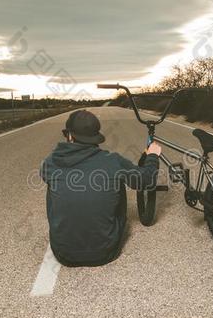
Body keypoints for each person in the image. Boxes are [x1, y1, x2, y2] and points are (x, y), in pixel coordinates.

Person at [41, 110, 161, 267]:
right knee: (117, 180)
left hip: (64, 255)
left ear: (70, 136)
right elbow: (146, 181)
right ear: (95, 137)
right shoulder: (113, 161)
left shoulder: (51, 162)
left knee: (55, 183)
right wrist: (152, 156)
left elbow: (48, 174)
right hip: (105, 253)